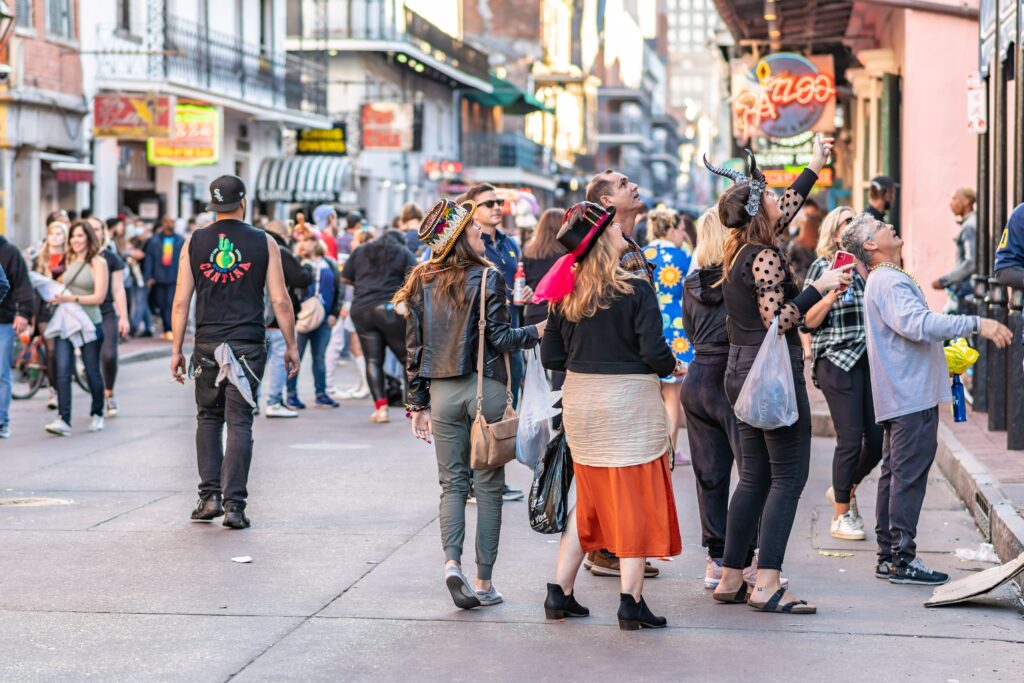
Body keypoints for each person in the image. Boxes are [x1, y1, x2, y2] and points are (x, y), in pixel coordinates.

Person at [707, 139, 850, 614]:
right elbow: (778, 320)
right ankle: (765, 581)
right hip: (767, 374)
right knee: (788, 476)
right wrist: (817, 288)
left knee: (753, 478)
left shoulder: (742, 249)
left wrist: (815, 164)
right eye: (768, 195)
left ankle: (730, 577)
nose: (777, 199)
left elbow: (788, 203)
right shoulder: (765, 257)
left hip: (740, 370)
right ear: (757, 210)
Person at [840, 214, 1011, 584]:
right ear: (870, 245)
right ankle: (902, 558)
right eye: (879, 225)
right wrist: (977, 323)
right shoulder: (888, 279)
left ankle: (890, 556)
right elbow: (918, 324)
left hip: (902, 392)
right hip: (909, 396)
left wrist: (940, 360)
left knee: (895, 474)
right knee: (907, 477)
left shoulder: (881, 279)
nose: (889, 226)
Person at [538, 201, 684, 630]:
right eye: (615, 225)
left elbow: (552, 355)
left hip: (581, 401)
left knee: (589, 497)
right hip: (628, 405)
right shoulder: (636, 288)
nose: (622, 228)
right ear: (604, 237)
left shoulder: (566, 289)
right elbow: (654, 352)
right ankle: (630, 600)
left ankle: (558, 592)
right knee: (634, 498)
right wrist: (671, 366)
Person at [397, 197, 543, 609]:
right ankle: (484, 583)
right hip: (487, 392)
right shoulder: (488, 277)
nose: (481, 232)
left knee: (452, 485)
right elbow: (501, 339)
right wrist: (538, 329)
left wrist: (417, 404)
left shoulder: (422, 279)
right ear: (462, 236)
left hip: (441, 394)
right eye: (474, 229)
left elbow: (415, 348)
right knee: (490, 488)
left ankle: (451, 563)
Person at [170, 175, 299, 529]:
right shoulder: (264, 242)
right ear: (243, 202)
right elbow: (280, 300)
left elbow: (181, 302)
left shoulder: (194, 242)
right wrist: (291, 345)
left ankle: (209, 496)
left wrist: (176, 349)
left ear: (213, 206)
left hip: (208, 344)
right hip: (247, 345)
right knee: (240, 422)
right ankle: (235, 507)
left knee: (208, 419)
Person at [579, 169, 659, 577]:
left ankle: (611, 550)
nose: (633, 185)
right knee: (619, 471)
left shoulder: (628, 244)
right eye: (623, 183)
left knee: (613, 470)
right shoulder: (607, 251)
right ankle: (610, 551)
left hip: (619, 375)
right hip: (615, 377)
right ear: (608, 203)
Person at [681, 207, 761, 590]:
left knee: (709, 475)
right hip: (731, 375)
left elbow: (687, 328)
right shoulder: (739, 280)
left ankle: (716, 559)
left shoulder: (691, 283)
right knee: (753, 473)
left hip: (697, 379)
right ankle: (744, 560)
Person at [800, 206, 882, 541]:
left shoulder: (870, 268)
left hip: (869, 360)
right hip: (836, 358)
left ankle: (843, 489)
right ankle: (841, 515)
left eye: (857, 221)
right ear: (835, 233)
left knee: (876, 441)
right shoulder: (823, 267)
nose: (854, 226)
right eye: (847, 222)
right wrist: (833, 293)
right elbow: (806, 320)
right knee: (849, 439)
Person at [464, 183, 529, 503]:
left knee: (504, 410)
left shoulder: (509, 244)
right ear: (471, 210)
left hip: (510, 337)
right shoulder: (464, 245)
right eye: (488, 203)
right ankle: (471, 482)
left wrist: (525, 297)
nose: (496, 207)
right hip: (476, 343)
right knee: (477, 411)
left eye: (499, 202)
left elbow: (515, 288)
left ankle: (492, 480)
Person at [341, 231, 418, 423]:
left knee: (373, 360)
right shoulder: (402, 252)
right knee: (406, 358)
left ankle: (381, 409)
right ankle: (413, 407)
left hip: (361, 310)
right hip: (390, 309)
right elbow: (416, 280)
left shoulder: (360, 251)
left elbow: (345, 278)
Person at [44, 221, 109, 436]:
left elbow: (99, 297)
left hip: (90, 323)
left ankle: (98, 412)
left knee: (91, 371)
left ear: (89, 237)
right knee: (62, 370)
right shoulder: (69, 258)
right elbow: (62, 283)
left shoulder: (99, 262)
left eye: (80, 236)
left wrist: (69, 297)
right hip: (67, 322)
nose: (76, 240)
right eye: (73, 236)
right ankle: (64, 419)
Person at [643, 208, 694, 465]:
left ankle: (651, 447)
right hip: (677, 330)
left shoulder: (641, 254)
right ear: (672, 229)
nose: (685, 234)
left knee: (652, 393)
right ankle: (670, 450)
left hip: (646, 326)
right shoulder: (684, 257)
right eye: (682, 229)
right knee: (673, 394)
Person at [286, 226, 343, 409]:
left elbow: (338, 290)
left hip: (325, 317)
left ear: (316, 242)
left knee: (319, 358)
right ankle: (291, 394)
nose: (304, 243)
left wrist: (334, 313)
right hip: (302, 317)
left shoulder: (329, 263)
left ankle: (321, 393)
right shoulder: (297, 262)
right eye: (301, 240)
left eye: (308, 239)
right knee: (296, 357)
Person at [263, 220, 314, 418]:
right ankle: (275, 401)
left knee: (259, 361)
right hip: (276, 319)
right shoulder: (279, 251)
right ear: (284, 235)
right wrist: (307, 267)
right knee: (278, 360)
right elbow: (300, 278)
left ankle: (253, 401)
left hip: (257, 316)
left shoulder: (254, 249)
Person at [88, 218, 131, 417]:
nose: (94, 232)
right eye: (90, 229)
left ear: (103, 232)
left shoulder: (111, 258)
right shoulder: (73, 257)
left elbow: (118, 289)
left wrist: (124, 317)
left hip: (105, 311)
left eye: (97, 229)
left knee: (109, 355)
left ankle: (109, 392)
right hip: (80, 312)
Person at [0, 229, 33, 439]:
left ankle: (2, 421)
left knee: (1, 371)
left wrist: (24, 312)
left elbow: (18, 284)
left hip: (4, 320)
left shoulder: (10, 252)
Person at [33, 221, 69, 408]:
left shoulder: (70, 258)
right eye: (52, 233)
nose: (55, 237)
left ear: (65, 237)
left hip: (65, 309)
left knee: (64, 349)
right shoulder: (40, 258)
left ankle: (64, 383)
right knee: (51, 349)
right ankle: (54, 390)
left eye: (59, 234)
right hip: (44, 310)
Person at [931, 188, 977, 313]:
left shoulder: (969, 226)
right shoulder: (971, 223)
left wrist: (945, 280)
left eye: (954, 198)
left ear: (966, 201)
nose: (951, 203)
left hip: (968, 292)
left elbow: (971, 262)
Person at [144, 215, 185, 340]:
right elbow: (149, 259)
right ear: (163, 223)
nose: (170, 224)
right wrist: (148, 276)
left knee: (171, 303)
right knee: (161, 304)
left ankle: (171, 329)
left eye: (172, 222)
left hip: (174, 277)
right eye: (167, 222)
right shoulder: (155, 240)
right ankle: (167, 328)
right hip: (159, 277)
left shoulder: (180, 240)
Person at [785, 198, 823, 290]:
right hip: (815, 285)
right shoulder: (821, 244)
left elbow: (785, 263)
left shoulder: (795, 244)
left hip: (798, 285)